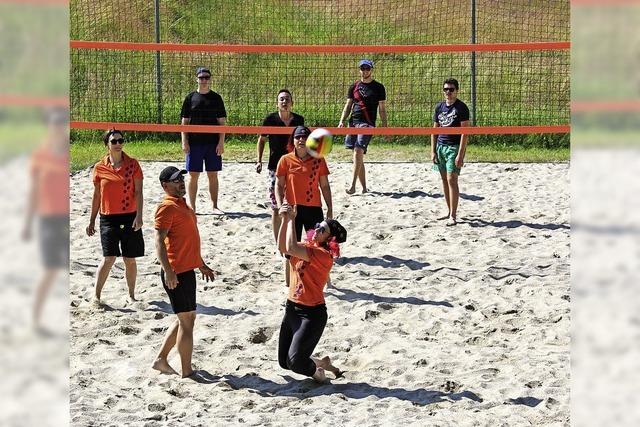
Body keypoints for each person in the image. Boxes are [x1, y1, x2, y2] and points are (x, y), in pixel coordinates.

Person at [152, 166, 216, 378]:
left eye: (181, 178)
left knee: (186, 319)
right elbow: (158, 242)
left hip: (187, 270)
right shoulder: (166, 207)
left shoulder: (182, 204)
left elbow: (189, 240)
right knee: (187, 322)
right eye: (175, 180)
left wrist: (201, 264)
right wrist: (169, 272)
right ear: (165, 185)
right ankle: (187, 370)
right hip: (176, 273)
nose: (180, 182)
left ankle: (161, 359)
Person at [277, 203, 347, 382]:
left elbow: (291, 247)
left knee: (296, 362)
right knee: (285, 362)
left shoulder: (323, 255)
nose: (317, 229)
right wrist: (285, 219)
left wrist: (292, 219)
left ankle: (319, 374)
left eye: (322, 229)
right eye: (317, 226)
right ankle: (322, 362)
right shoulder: (307, 246)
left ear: (330, 238)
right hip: (292, 309)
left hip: (312, 315)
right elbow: (283, 248)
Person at [22, 107, 70, 330]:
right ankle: (35, 318)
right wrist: (27, 223)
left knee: (65, 268)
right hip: (48, 218)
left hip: (67, 218)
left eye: (62, 124)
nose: (59, 128)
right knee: (50, 270)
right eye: (55, 124)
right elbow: (32, 191)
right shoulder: (40, 155)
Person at [86, 129, 144, 303]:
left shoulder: (133, 164)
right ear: (107, 145)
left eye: (120, 140)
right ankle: (96, 295)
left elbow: (139, 192)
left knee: (129, 259)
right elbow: (97, 196)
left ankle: (131, 295)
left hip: (129, 216)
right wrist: (91, 221)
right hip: (108, 218)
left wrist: (139, 216)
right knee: (109, 258)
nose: (118, 144)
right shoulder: (100, 167)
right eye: (114, 141)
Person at [275, 126, 333, 286]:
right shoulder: (285, 160)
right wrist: (281, 206)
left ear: (310, 140)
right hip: (293, 209)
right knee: (289, 247)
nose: (301, 140)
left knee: (320, 246)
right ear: (292, 141)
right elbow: (278, 186)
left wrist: (330, 207)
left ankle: (326, 282)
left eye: (304, 137)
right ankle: (288, 284)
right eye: (297, 137)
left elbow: (325, 186)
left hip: (313, 208)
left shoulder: (318, 159)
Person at [255, 89, 304, 243]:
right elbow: (261, 140)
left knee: (294, 205)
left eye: (287, 99)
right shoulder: (270, 119)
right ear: (277, 103)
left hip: (294, 166)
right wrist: (258, 160)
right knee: (276, 207)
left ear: (292, 102)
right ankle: (278, 243)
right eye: (281, 99)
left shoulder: (298, 120)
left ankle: (291, 239)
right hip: (274, 168)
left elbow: (303, 144)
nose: (284, 102)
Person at [180, 66, 227, 215]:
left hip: (212, 143)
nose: (204, 80)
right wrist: (184, 141)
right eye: (201, 78)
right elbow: (184, 122)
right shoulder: (190, 98)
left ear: (210, 79)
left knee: (213, 175)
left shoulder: (216, 98)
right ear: (197, 79)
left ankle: (214, 206)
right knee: (193, 175)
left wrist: (221, 142)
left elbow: (222, 123)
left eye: (206, 77)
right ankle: (192, 207)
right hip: (194, 143)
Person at [338, 58, 388, 195]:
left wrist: (385, 127)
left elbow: (382, 109)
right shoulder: (354, 86)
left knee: (358, 151)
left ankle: (353, 186)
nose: (365, 71)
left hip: (367, 123)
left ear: (371, 70)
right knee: (357, 156)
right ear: (359, 70)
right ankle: (364, 188)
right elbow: (348, 105)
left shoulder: (378, 87)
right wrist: (342, 120)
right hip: (353, 122)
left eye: (367, 68)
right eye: (363, 68)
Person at [431, 78, 470, 226]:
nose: (448, 92)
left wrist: (461, 154)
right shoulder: (439, 107)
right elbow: (434, 130)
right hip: (441, 146)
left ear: (457, 91)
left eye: (451, 89)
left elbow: (464, 133)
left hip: (453, 147)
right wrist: (433, 151)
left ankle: (453, 215)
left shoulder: (461, 108)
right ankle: (448, 211)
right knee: (444, 180)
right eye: (446, 89)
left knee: (452, 180)